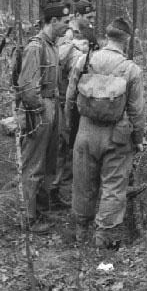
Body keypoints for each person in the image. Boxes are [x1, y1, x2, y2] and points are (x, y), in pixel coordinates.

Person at [65, 17, 145, 248]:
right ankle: (103, 239)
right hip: (117, 136)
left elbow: (70, 97)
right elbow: (136, 111)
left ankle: (81, 232)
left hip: (86, 130)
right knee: (113, 187)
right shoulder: (131, 69)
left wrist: (70, 129)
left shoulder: (84, 60)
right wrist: (138, 139)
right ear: (127, 40)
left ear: (107, 37)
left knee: (83, 183)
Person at [18, 1, 70, 229]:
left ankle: (40, 210)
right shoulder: (36, 47)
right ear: (53, 21)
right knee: (34, 163)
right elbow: (27, 87)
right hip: (40, 109)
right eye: (65, 23)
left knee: (48, 162)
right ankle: (29, 217)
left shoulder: (52, 45)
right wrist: (40, 111)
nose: (67, 27)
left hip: (52, 105)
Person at [55, 18, 94, 189]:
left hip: (65, 100)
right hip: (68, 102)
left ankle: (60, 183)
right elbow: (72, 84)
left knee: (66, 143)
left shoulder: (64, 49)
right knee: (66, 143)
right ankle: (60, 184)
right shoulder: (76, 54)